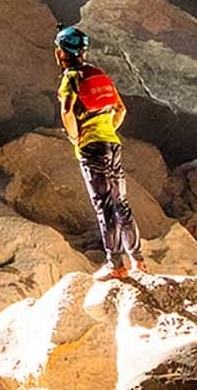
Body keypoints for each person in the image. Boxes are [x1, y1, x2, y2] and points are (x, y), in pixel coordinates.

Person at [54, 24, 139, 280]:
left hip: (92, 147)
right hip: (112, 143)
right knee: (121, 203)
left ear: (61, 53)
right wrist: (108, 130)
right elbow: (121, 109)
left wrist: (75, 137)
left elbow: (67, 111)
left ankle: (115, 264)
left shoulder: (71, 77)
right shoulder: (98, 74)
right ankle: (138, 260)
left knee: (104, 206)